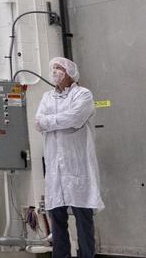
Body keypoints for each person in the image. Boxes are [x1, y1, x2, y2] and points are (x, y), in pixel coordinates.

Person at [34, 56, 103, 258]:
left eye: (59, 68)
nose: (54, 72)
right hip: (55, 166)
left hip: (77, 164)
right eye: (53, 68)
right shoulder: (47, 97)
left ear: (70, 72)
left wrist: (50, 121)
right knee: (57, 216)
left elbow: (75, 118)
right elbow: (38, 122)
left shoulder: (83, 95)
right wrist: (56, 121)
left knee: (83, 216)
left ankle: (87, 255)